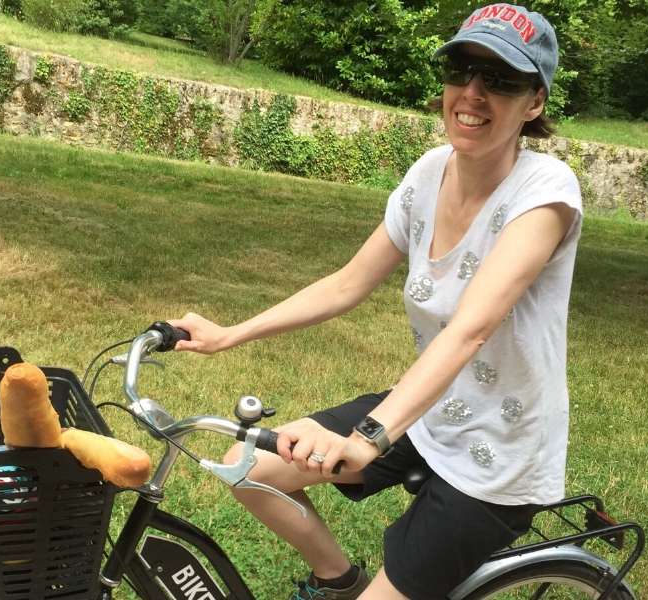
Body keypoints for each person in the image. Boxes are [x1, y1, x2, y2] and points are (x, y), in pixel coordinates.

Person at [170, 4, 582, 599]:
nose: (472, 92)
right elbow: (347, 283)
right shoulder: (429, 172)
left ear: (535, 102)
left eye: (502, 79)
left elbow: (469, 331)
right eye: (461, 69)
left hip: (498, 459)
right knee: (250, 467)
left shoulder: (545, 192)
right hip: (429, 413)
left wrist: (365, 439)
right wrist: (229, 334)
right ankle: (337, 579)